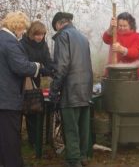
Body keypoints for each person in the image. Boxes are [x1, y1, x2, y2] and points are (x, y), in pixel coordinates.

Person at [49, 12, 93, 167]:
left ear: (59, 24)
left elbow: (62, 66)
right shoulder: (83, 38)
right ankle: (82, 156)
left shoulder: (63, 36)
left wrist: (54, 90)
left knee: (70, 128)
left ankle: (74, 161)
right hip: (85, 90)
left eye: (55, 28)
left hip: (70, 90)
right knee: (83, 127)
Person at [0, 11, 40, 167]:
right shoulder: (9, 42)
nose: (23, 32)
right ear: (17, 25)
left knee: (3, 138)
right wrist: (37, 66)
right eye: (23, 28)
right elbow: (21, 67)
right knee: (11, 139)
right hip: (8, 98)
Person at [20, 20, 54, 148]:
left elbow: (48, 60)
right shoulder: (23, 44)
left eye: (42, 34)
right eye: (37, 34)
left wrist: (54, 70)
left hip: (36, 80)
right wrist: (43, 70)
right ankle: (15, 140)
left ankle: (34, 140)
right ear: (31, 33)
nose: (40, 37)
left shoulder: (43, 45)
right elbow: (24, 64)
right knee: (23, 110)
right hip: (24, 80)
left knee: (33, 109)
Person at [102, 12, 139, 77]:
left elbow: (135, 53)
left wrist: (122, 49)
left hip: (132, 73)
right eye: (120, 25)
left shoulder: (137, 36)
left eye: (125, 26)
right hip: (113, 71)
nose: (122, 28)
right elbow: (105, 39)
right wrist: (111, 27)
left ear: (131, 26)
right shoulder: (115, 34)